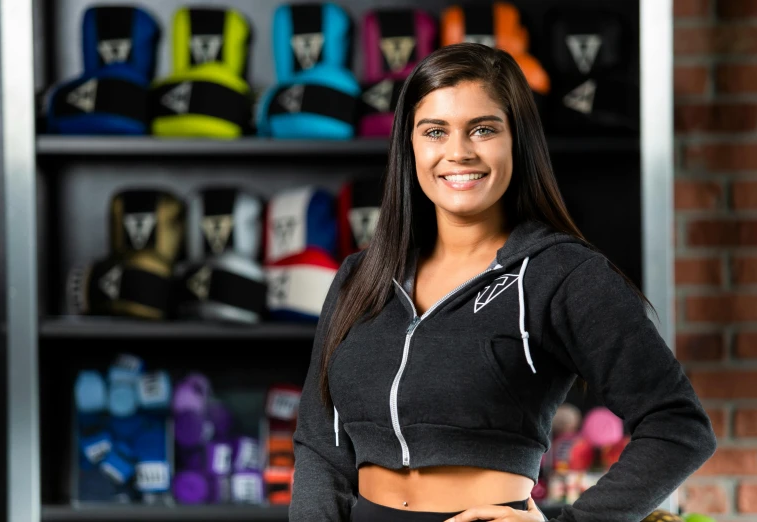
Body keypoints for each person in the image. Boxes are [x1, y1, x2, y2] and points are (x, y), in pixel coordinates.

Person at [289, 43, 717, 522]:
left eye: (483, 129)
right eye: (435, 131)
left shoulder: (562, 274)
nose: (458, 152)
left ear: (518, 140)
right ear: (409, 146)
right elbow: (319, 445)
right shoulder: (358, 278)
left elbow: (679, 425)